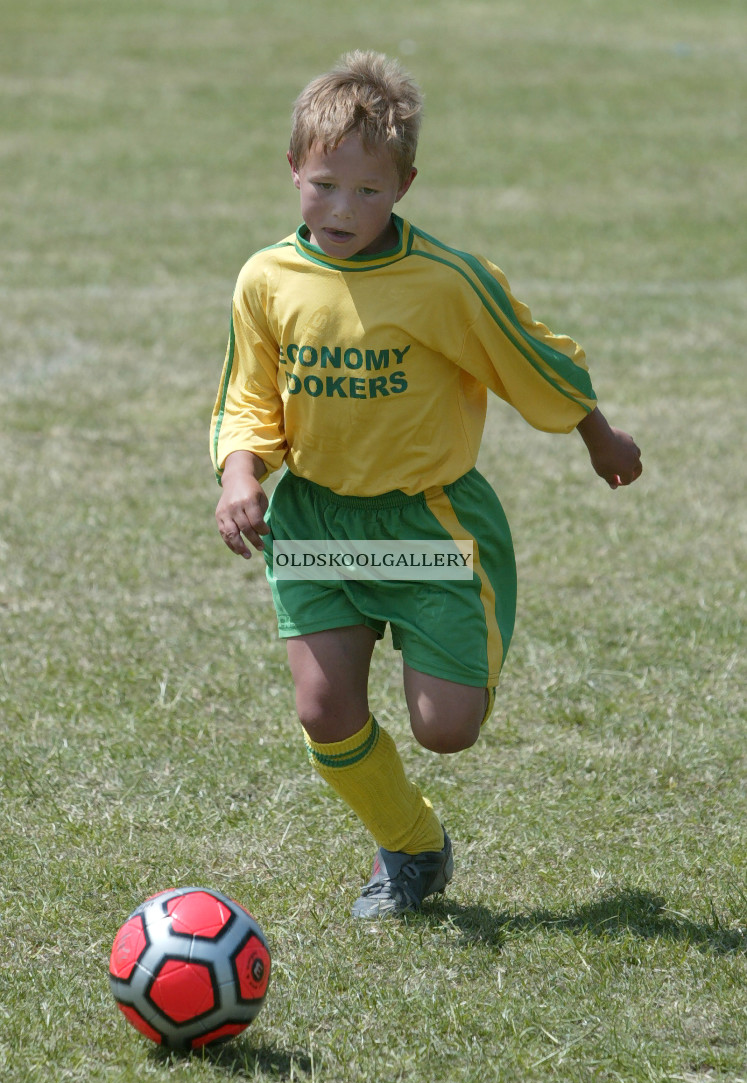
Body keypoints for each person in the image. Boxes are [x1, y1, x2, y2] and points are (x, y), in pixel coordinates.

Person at [210, 50, 642, 919]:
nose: (342, 209)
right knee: (323, 708)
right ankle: (410, 850)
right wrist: (239, 473)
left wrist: (596, 434)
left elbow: (532, 356)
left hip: (426, 527)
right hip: (316, 524)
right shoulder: (266, 279)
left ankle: (442, 667)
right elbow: (248, 394)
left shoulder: (445, 280)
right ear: (293, 168)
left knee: (446, 729)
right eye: (325, 184)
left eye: (368, 192)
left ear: (405, 184)